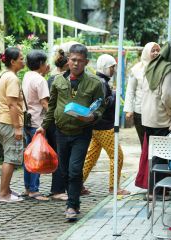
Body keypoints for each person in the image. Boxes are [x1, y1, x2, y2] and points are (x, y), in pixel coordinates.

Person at [37, 44, 105, 220]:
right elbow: (51, 107)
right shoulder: (58, 81)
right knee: (64, 170)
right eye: (73, 60)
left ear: (86, 62)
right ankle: (72, 199)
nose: (76, 64)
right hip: (60, 131)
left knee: (75, 169)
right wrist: (43, 126)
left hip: (81, 133)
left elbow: (100, 106)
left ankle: (72, 205)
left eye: (80, 61)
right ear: (68, 60)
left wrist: (93, 117)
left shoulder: (95, 83)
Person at [82, 54, 130, 196]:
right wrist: (114, 94)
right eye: (112, 67)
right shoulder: (102, 82)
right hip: (105, 127)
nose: (114, 69)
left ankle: (77, 185)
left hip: (96, 126)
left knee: (90, 158)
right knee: (117, 157)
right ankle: (114, 188)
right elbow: (102, 104)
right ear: (104, 67)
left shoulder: (98, 80)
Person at [138, 42, 171, 198]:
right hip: (161, 117)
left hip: (147, 117)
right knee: (161, 155)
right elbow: (167, 95)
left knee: (154, 153)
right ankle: (156, 190)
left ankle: (154, 188)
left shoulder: (152, 65)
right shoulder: (168, 68)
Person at [0, 47, 25, 203]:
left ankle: (6, 189)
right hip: (9, 121)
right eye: (21, 58)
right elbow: (12, 104)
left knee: (10, 156)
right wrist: (18, 127)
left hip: (2, 120)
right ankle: (3, 194)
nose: (23, 61)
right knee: (11, 158)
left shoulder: (3, 75)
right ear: (12, 61)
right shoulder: (12, 78)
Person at [21, 50, 50, 201]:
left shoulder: (27, 76)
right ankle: (34, 190)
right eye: (45, 63)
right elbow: (45, 103)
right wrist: (53, 117)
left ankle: (28, 188)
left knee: (28, 155)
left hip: (27, 121)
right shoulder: (40, 80)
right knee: (37, 156)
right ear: (40, 64)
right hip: (38, 123)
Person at [124, 42, 160, 147]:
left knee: (155, 143)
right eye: (153, 51)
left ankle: (153, 163)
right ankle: (145, 163)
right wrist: (129, 110)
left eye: (158, 50)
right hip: (140, 111)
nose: (156, 53)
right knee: (144, 142)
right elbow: (130, 90)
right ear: (146, 52)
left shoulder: (161, 68)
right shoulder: (136, 69)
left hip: (157, 111)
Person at [46, 49, 69, 201]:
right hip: (56, 122)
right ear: (67, 64)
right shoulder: (60, 79)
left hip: (52, 121)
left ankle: (60, 188)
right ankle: (57, 190)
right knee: (60, 156)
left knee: (60, 155)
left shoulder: (50, 78)